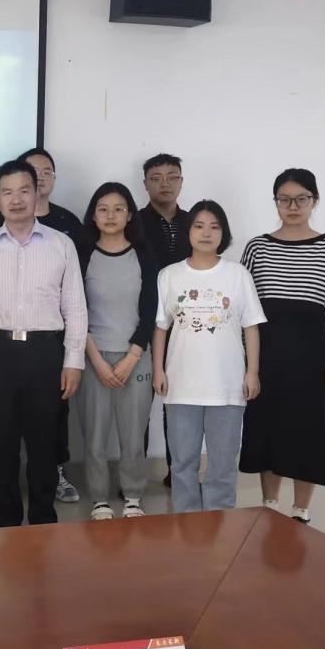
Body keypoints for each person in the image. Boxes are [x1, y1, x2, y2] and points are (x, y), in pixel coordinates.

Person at [0, 161, 87, 527]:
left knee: (44, 445)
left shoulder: (61, 245)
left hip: (45, 353)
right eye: (8, 192)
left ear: (37, 193)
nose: (16, 200)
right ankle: (7, 523)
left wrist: (73, 359)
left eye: (24, 190)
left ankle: (43, 521)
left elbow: (75, 305)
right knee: (1, 444)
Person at [239, 169, 325, 525]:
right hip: (265, 357)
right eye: (284, 199)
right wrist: (245, 361)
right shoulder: (257, 247)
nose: (292, 206)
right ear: (275, 202)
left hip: (312, 358)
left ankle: (301, 510)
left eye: (301, 198)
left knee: (309, 432)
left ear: (314, 201)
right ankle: (269, 504)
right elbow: (241, 308)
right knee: (267, 430)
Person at [153, 200, 265, 513]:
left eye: (215, 227)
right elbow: (160, 327)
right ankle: (188, 521)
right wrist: (158, 370)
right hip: (181, 385)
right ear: (188, 231)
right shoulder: (170, 275)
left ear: (223, 233)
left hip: (227, 385)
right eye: (199, 226)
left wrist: (252, 372)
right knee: (182, 463)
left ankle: (221, 523)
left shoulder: (237, 275)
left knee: (223, 464)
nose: (206, 233)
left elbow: (251, 326)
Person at [78, 183, 158, 520]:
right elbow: (75, 310)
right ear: (93, 215)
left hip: (135, 357)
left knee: (133, 434)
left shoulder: (143, 256)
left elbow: (150, 309)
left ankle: (133, 496)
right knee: (94, 435)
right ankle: (99, 498)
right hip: (92, 356)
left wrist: (132, 356)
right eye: (103, 209)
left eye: (118, 209)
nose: (110, 215)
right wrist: (96, 359)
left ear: (129, 215)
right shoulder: (82, 255)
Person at [137, 153, 191, 488]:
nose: (165, 184)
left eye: (172, 177)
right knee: (138, 407)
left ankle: (179, 472)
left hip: (186, 326)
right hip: (144, 323)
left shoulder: (195, 222)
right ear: (145, 184)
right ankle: (134, 475)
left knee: (179, 403)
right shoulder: (134, 222)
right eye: (156, 178)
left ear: (182, 182)